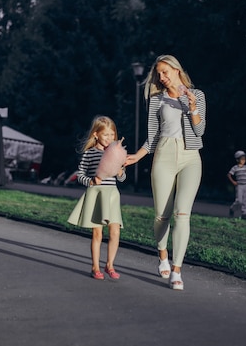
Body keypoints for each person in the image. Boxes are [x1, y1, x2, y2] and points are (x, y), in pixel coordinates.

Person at [125, 55, 206, 291]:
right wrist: (137, 156)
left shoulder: (197, 95)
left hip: (191, 157)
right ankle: (162, 256)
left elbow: (200, 130)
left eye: (164, 72)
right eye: (158, 73)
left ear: (176, 69)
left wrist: (191, 107)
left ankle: (177, 269)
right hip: (164, 156)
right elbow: (152, 136)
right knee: (162, 215)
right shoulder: (156, 100)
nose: (161, 77)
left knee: (183, 214)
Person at [67, 116, 127, 280]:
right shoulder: (90, 153)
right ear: (95, 134)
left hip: (112, 195)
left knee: (115, 232)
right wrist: (91, 181)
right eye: (106, 134)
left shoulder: (115, 153)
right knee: (97, 234)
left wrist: (121, 172)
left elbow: (121, 178)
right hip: (97, 194)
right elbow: (80, 175)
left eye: (112, 135)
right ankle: (95, 266)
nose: (110, 138)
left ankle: (110, 265)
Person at [227, 150, 246, 219]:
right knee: (239, 200)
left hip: (245, 185)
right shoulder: (235, 168)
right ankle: (232, 209)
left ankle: (244, 213)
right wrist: (233, 182)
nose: (243, 160)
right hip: (239, 185)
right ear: (237, 159)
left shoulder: (245, 167)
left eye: (244, 159)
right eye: (242, 159)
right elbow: (229, 175)